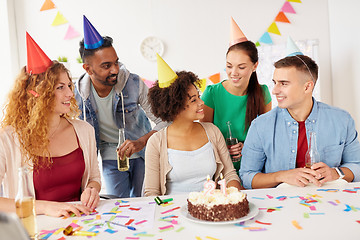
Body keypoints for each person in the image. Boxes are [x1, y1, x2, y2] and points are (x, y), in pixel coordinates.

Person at [0, 33, 101, 217]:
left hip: (82, 224)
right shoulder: (7, 138)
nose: (70, 93)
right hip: (34, 229)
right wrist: (46, 208)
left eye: (69, 85)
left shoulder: (85, 131)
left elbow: (94, 178)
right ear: (37, 93)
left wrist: (92, 189)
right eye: (60, 87)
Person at [75, 16, 167, 198]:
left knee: (145, 202)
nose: (115, 70)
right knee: (117, 204)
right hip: (110, 157)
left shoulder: (133, 83)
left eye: (116, 62)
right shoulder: (76, 95)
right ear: (88, 69)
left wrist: (141, 141)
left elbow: (164, 121)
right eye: (106, 66)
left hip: (143, 153)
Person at [240, 54, 360, 189]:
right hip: (280, 205)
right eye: (275, 83)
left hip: (330, 202)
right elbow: (247, 177)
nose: (274, 90)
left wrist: (336, 172)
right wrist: (282, 176)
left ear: (307, 87)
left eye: (284, 83)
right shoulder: (260, 126)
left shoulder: (342, 120)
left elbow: (356, 165)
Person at [144, 55, 242, 196]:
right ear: (175, 106)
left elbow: (230, 175)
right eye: (194, 100)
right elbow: (152, 192)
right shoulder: (156, 142)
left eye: (199, 96)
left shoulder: (212, 131)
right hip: (172, 213)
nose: (201, 103)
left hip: (209, 210)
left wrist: (232, 198)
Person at [201, 18, 272, 174]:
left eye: (241, 67)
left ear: (255, 66)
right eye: (229, 66)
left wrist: (246, 147)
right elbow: (203, 137)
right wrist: (223, 148)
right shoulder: (212, 93)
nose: (233, 73)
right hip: (219, 169)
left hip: (253, 168)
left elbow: (267, 136)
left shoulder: (263, 93)